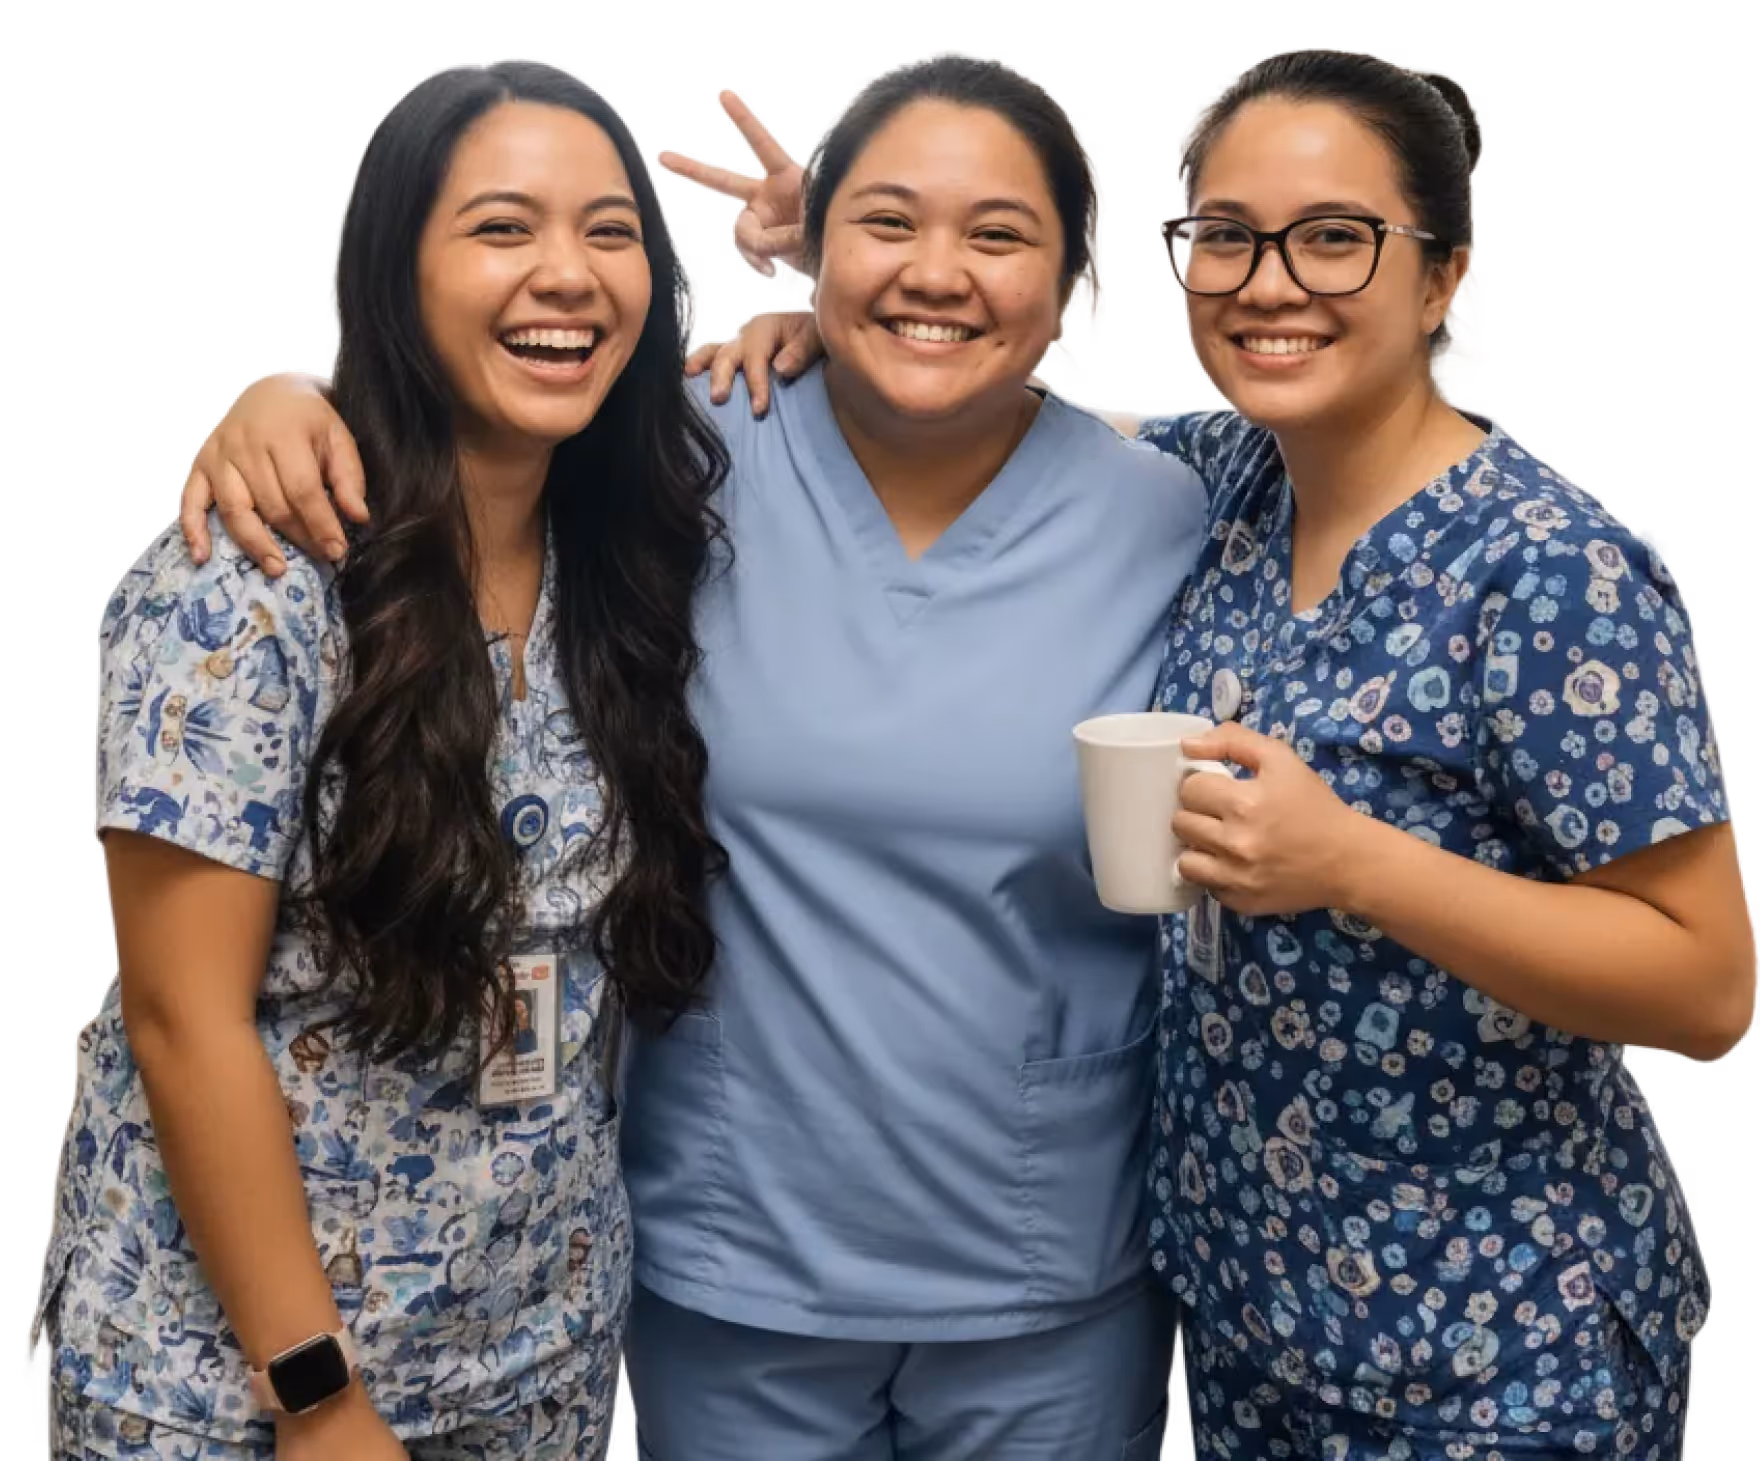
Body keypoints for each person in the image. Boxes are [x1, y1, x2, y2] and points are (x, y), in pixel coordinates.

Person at [669, 48, 1753, 1461]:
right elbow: (989, 410)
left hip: (1498, 1337)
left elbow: (1708, 987)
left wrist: (1357, 864)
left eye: (1335, 239)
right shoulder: (1232, 481)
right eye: (1227, 238)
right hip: (1245, 1308)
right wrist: (865, 286)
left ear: (1446, 280)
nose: (1268, 281)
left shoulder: (1552, 575)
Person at [143, 51, 1210, 1461]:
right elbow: (456, 423)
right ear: (806, 256)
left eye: (1000, 234)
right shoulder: (684, 449)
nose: (940, 271)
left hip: (1046, 1249)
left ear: (1085, 281)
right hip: (730, 1250)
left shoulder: (1174, 510)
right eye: (885, 223)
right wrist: (287, 389)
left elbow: (1351, 436)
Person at [31, 57, 732, 1460]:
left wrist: (827, 304)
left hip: (538, 1350)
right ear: (389, 271)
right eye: (499, 228)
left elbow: (933, 390)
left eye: (610, 233)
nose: (567, 275)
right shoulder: (249, 580)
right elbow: (185, 1020)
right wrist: (319, 1394)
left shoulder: (630, 552)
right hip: (236, 1380)